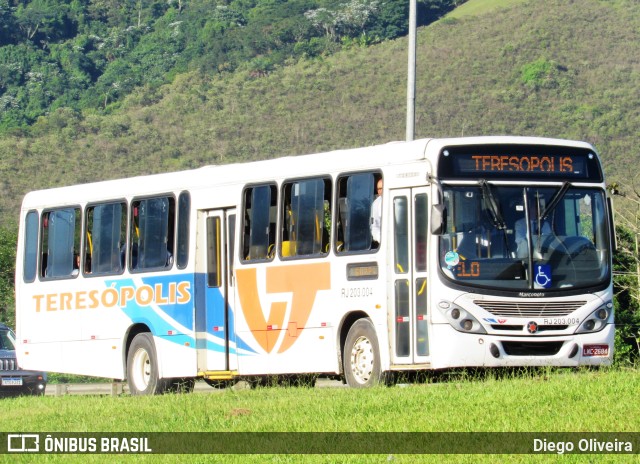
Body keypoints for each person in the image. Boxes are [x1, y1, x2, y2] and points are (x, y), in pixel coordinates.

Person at [370, 178, 383, 247]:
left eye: (381, 188)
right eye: (378, 189)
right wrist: (380, 238)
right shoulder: (375, 204)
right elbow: (374, 226)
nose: (380, 191)